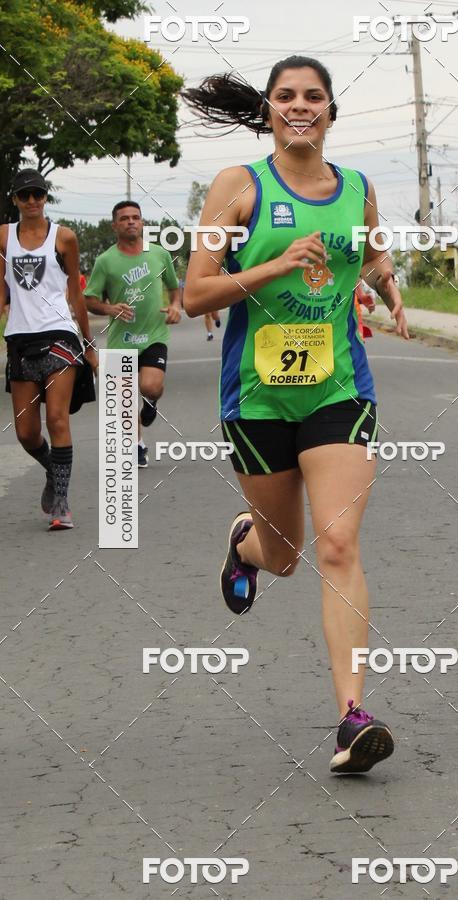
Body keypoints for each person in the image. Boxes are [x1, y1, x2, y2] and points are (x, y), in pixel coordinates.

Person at [183, 56, 409, 775]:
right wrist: (275, 266)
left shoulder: (360, 189)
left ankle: (352, 718)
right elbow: (196, 295)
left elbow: (370, 255)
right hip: (256, 398)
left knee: (338, 544)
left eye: (314, 96)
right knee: (284, 557)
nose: (300, 106)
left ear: (332, 112)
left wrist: (387, 285)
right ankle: (246, 544)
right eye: (286, 96)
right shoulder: (238, 186)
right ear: (270, 112)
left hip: (338, 389)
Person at [0, 169, 98, 529]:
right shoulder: (3, 237)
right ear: (15, 200)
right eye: (24, 195)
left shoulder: (65, 238)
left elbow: (75, 293)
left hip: (60, 335)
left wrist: (88, 345)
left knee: (57, 419)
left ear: (45, 198)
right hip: (20, 339)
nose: (31, 201)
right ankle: (52, 469)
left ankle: (61, 502)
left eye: (37, 194)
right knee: (26, 433)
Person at [84, 201, 181, 467]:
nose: (130, 222)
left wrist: (174, 307)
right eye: (124, 218)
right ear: (114, 225)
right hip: (120, 340)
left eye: (135, 217)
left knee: (150, 385)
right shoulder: (105, 261)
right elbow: (89, 299)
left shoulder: (158, 254)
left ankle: (150, 401)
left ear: (142, 222)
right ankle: (137, 445)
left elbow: (174, 289)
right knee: (123, 401)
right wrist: (109, 308)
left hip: (153, 335)